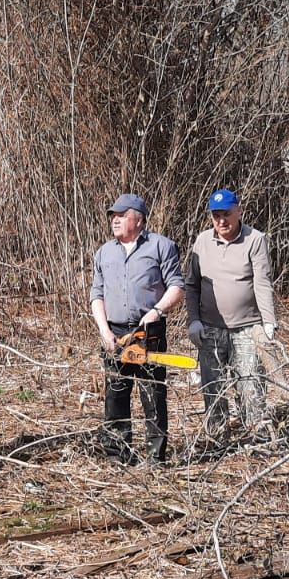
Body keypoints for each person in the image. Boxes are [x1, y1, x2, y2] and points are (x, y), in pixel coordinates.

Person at [89, 193, 185, 463]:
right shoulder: (104, 252)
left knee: (152, 394)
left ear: (139, 220)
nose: (115, 220)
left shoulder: (161, 246)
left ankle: (156, 459)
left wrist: (157, 311)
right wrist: (104, 331)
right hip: (115, 333)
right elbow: (96, 295)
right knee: (115, 396)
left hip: (148, 331)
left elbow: (177, 286)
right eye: (113, 216)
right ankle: (119, 456)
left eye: (122, 215)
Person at [184, 188, 278, 446]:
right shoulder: (202, 242)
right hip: (210, 328)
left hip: (247, 327)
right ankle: (217, 440)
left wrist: (268, 322)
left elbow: (262, 282)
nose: (221, 221)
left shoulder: (254, 239)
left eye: (226, 214)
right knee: (212, 388)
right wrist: (193, 320)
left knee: (250, 385)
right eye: (216, 216)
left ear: (239, 211)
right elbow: (191, 285)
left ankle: (256, 439)